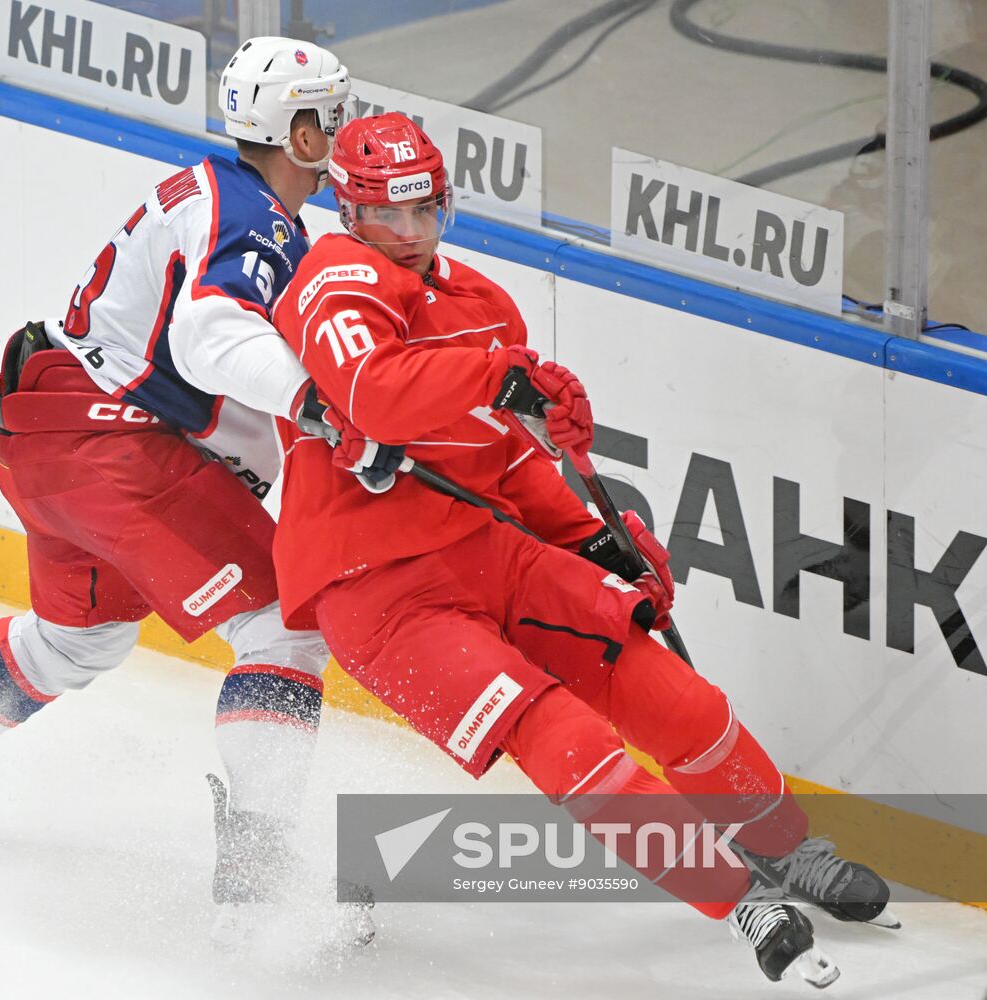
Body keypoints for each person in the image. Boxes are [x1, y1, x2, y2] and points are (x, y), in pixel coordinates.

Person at [269, 112, 895, 988]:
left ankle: (784, 850)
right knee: (561, 734)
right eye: (388, 216)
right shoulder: (334, 278)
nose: (409, 237)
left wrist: (595, 540)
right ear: (347, 207)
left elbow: (511, 460)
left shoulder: (485, 305)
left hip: (485, 550)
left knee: (667, 692)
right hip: (375, 592)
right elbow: (375, 394)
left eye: (427, 213)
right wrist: (497, 377)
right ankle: (735, 898)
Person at [0, 36, 365, 941]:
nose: (335, 136)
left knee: (76, 639)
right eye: (323, 119)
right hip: (117, 451)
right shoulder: (255, 219)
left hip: (46, 442)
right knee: (282, 625)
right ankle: (258, 869)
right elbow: (212, 335)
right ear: (288, 129)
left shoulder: (217, 193)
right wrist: (320, 403)